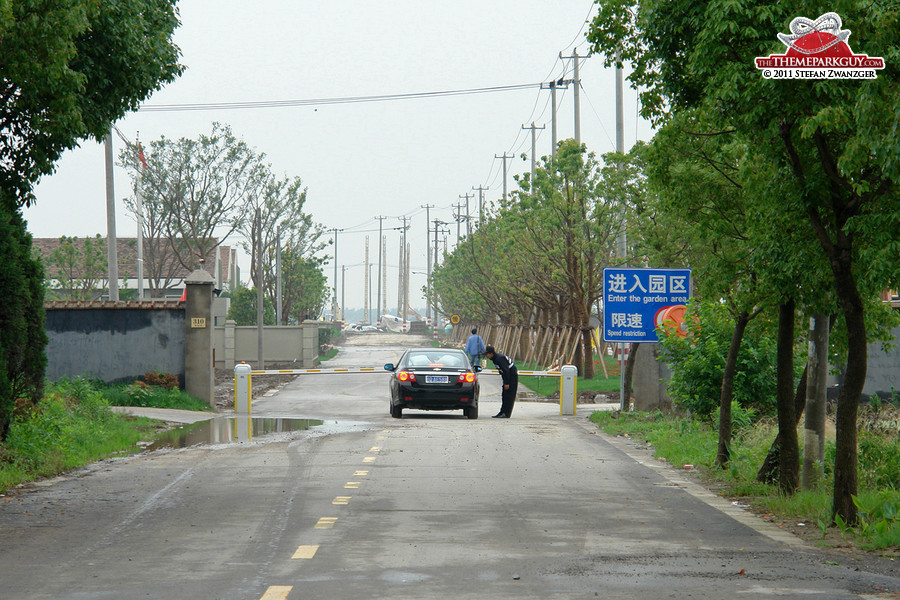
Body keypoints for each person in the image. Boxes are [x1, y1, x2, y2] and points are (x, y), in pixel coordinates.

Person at [484, 345, 517, 418]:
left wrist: (507, 383)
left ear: (491, 353)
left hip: (511, 377)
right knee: (504, 395)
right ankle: (502, 412)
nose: (486, 356)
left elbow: (506, 371)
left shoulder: (499, 358)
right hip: (507, 376)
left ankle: (507, 413)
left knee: (509, 396)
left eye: (487, 354)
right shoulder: (495, 359)